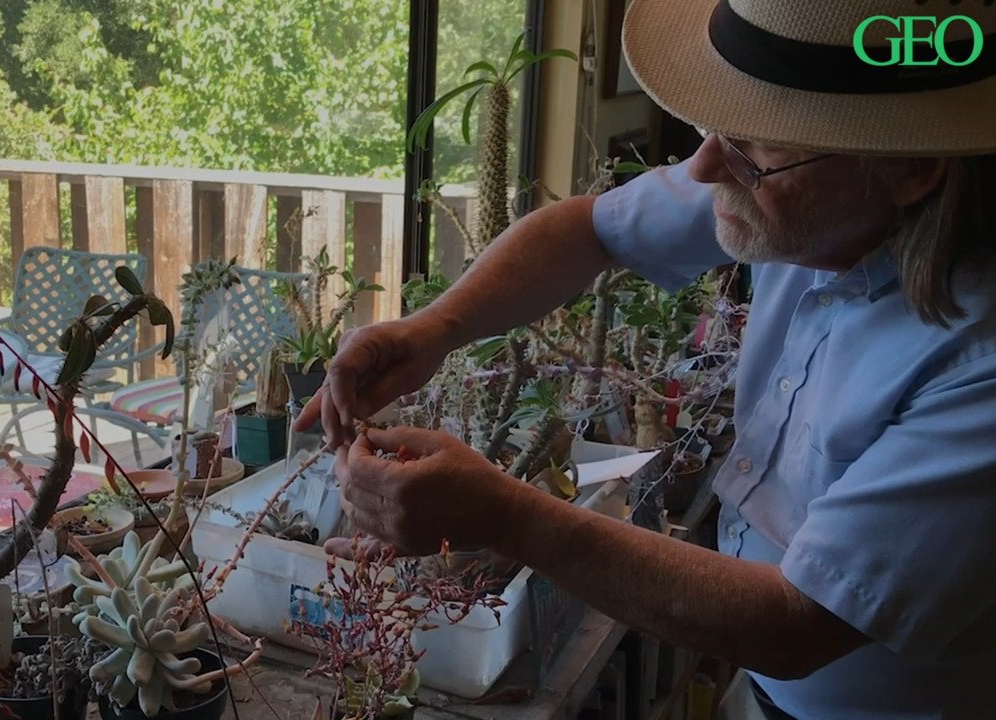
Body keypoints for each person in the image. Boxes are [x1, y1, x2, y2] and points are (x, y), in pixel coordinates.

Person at [296, 1, 996, 718]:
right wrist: (432, 329)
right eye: (713, 127)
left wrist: (503, 516)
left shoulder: (979, 365)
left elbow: (796, 623)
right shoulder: (811, 195)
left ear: (911, 168)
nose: (703, 167)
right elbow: (591, 231)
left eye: (753, 148)